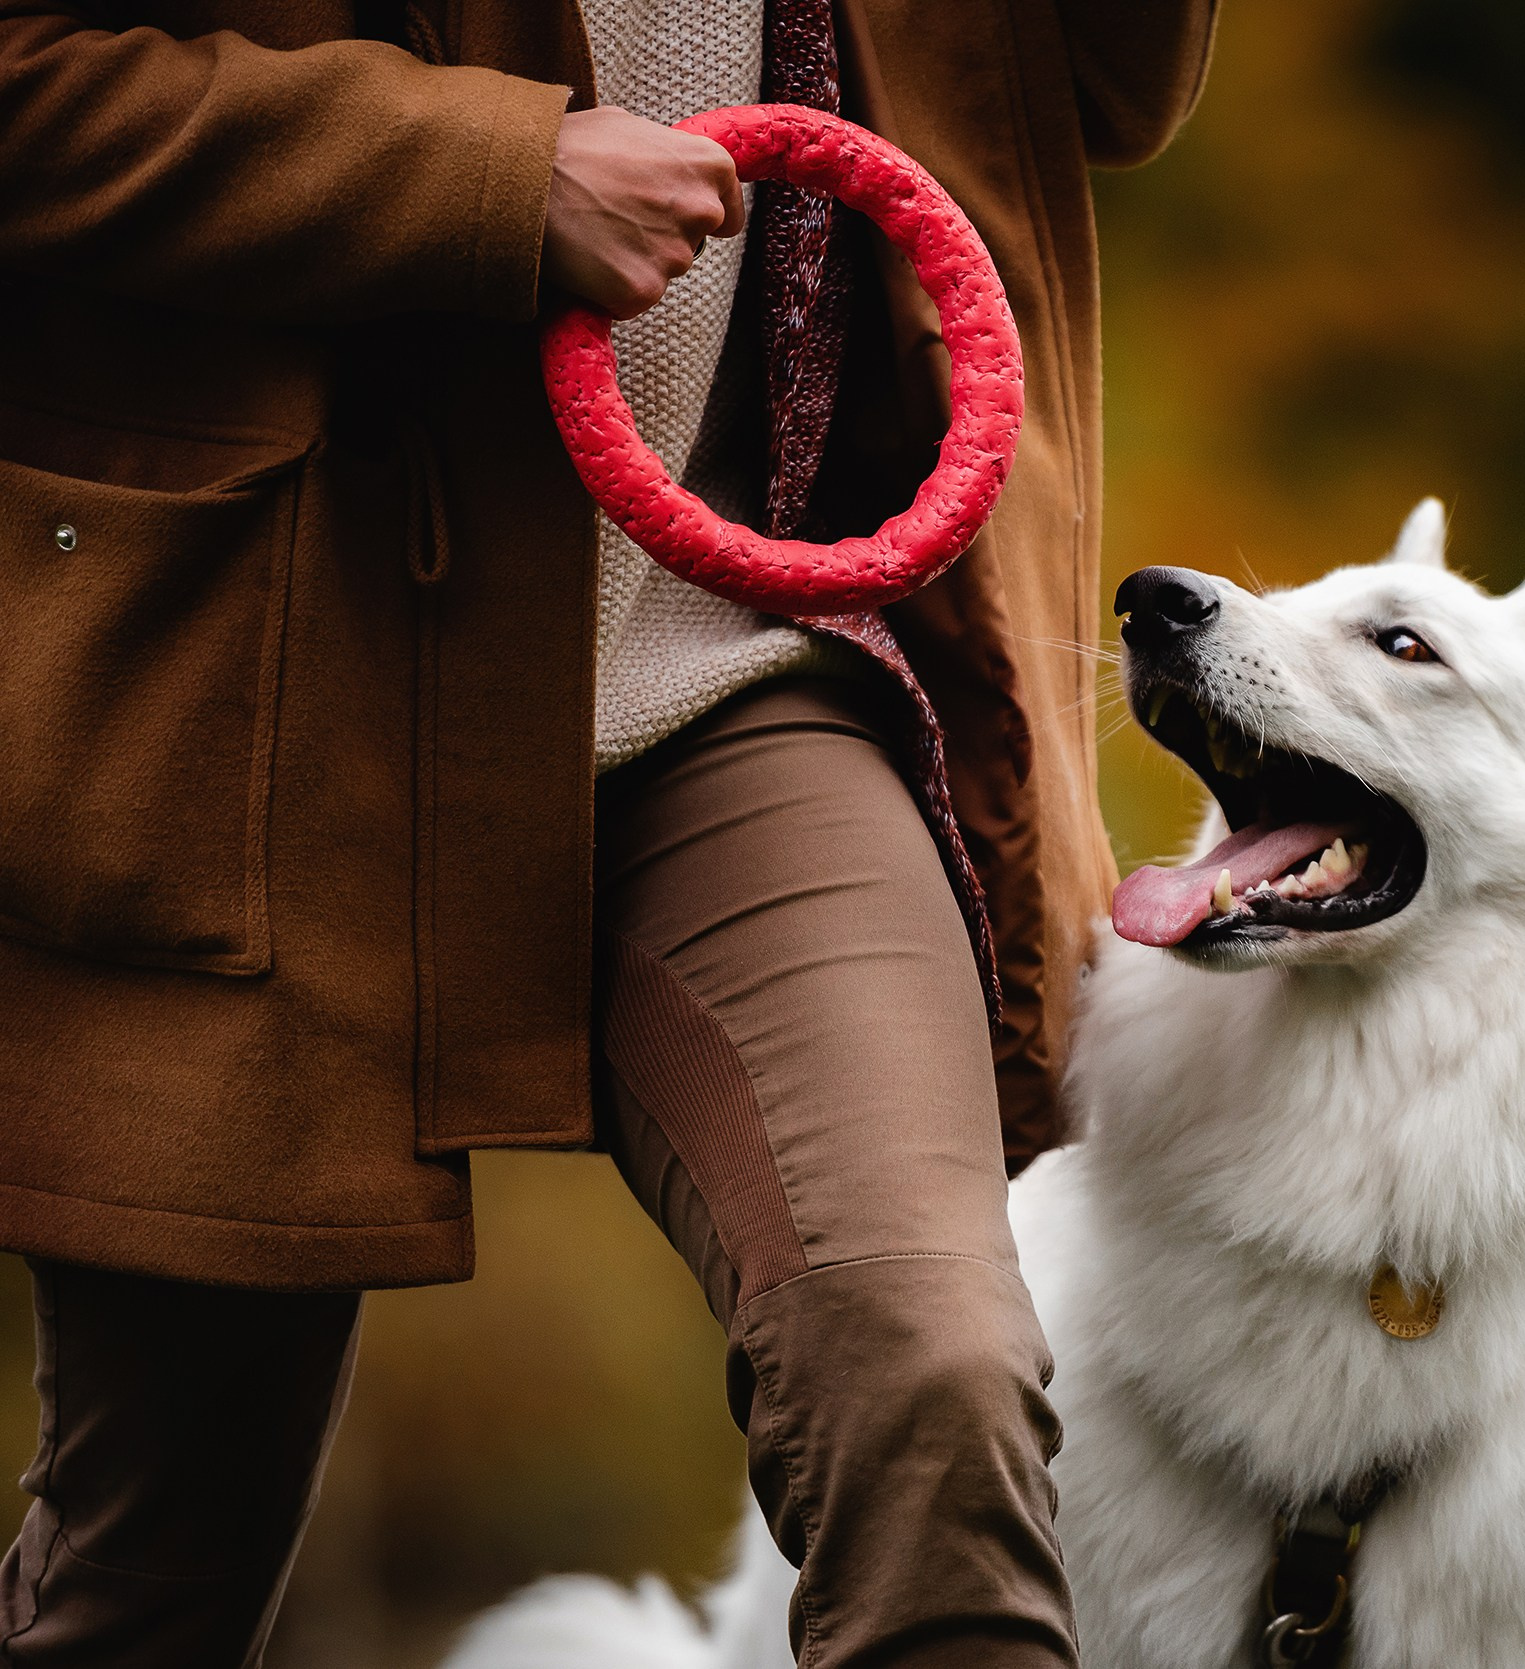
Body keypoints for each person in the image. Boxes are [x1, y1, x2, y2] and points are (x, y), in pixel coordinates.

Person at [0, 1, 1216, 1663]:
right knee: (153, 1571)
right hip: (264, 685)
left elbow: (1111, 84)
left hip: (727, 669)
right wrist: (490, 175)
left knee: (925, 1370)